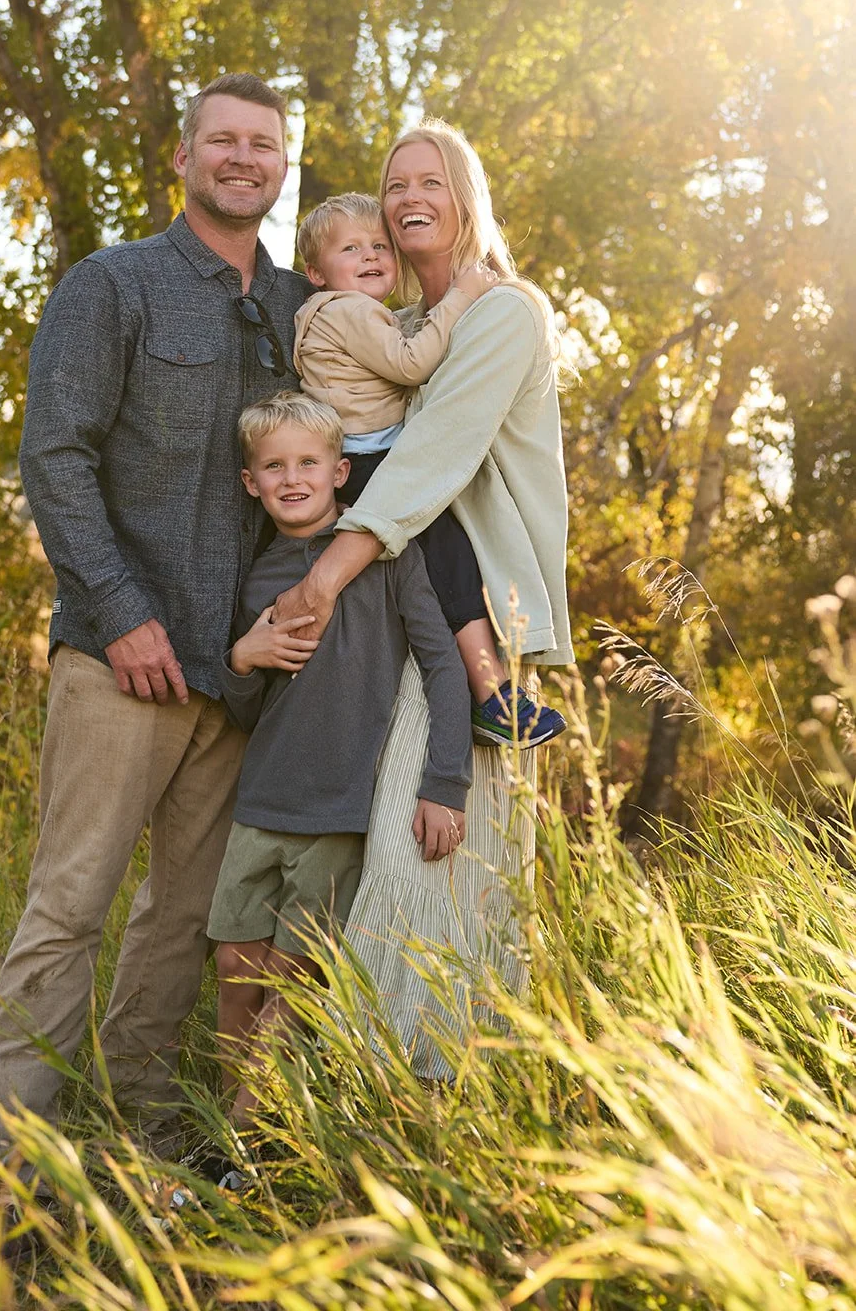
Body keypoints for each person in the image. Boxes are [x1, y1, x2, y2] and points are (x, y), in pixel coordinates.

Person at [0, 74, 310, 1172]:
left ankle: (145, 1153)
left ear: (280, 163)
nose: (242, 158)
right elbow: (53, 457)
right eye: (223, 140)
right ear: (184, 156)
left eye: (262, 144)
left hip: (243, 680)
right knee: (67, 910)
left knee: (184, 929)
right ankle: (9, 1182)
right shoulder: (112, 285)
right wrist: (118, 613)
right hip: (122, 668)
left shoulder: (309, 309)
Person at [272, 120, 574, 1077]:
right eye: (395, 182)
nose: (409, 197)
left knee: (438, 868)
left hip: (480, 618)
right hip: (409, 618)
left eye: (431, 181)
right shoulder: (398, 327)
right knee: (404, 871)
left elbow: (432, 456)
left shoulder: (502, 314)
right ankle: (384, 1104)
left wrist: (324, 572)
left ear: (465, 196)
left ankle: (426, 1092)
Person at [206, 390, 471, 1171]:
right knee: (234, 970)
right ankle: (238, 1115)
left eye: (308, 464)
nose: (292, 479)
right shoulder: (256, 576)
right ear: (252, 483)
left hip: (338, 810)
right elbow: (250, 707)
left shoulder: (387, 558)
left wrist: (444, 783)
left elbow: (442, 669)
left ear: (339, 472)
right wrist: (238, 662)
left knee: (290, 981)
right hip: (260, 801)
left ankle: (240, 1148)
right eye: (274, 467)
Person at [293, 192, 566, 748]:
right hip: (373, 460)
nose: (371, 256)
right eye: (351, 249)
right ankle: (494, 695)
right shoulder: (351, 311)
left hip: (362, 456)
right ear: (316, 273)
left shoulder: (339, 313)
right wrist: (464, 294)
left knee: (431, 576)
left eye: (378, 246)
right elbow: (414, 363)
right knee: (452, 561)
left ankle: (484, 694)